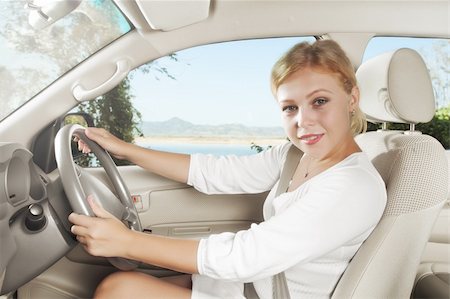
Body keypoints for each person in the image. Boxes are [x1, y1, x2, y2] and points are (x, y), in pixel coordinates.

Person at [69, 40, 387, 299]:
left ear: (352, 99)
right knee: (123, 283)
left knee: (118, 290)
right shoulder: (295, 155)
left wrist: (127, 242)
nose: (303, 121)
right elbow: (217, 172)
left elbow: (247, 256)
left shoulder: (352, 186)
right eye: (290, 107)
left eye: (319, 101)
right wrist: (124, 149)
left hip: (264, 290)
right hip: (248, 286)